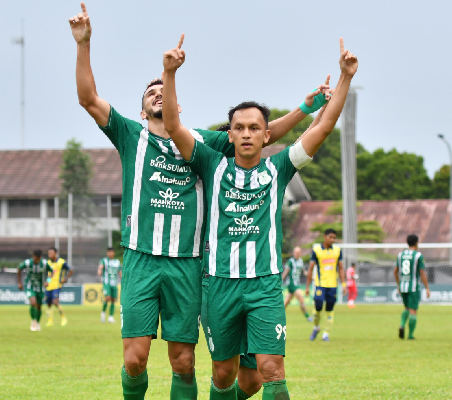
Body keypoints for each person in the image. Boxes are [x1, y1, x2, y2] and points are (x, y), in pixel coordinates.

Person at [68, 4, 332, 399]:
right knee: (135, 359)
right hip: (141, 257)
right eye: (151, 94)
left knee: (184, 362)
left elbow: (261, 134)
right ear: (143, 111)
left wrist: (304, 109)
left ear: (177, 104)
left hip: (189, 263)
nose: (159, 95)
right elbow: (88, 98)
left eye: (164, 91)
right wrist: (84, 43)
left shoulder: (203, 141)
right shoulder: (129, 134)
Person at [162, 33, 358, 399]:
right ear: (230, 135)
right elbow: (173, 126)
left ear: (267, 135)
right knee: (225, 377)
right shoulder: (210, 163)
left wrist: (344, 77)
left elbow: (324, 126)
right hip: (218, 285)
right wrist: (169, 73)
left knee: (270, 371)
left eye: (255, 128)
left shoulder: (279, 169)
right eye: (239, 128)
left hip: (265, 286)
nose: (247, 133)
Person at [305, 228, 346, 341]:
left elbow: (341, 268)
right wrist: (307, 286)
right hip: (320, 284)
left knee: (329, 309)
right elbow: (310, 269)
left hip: (333, 285)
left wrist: (343, 284)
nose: (332, 240)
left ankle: (326, 333)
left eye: (334, 238)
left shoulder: (337, 251)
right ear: (325, 237)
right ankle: (316, 327)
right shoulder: (317, 250)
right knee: (318, 306)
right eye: (330, 237)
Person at [395, 234, 430, 340]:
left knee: (406, 308)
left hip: (403, 286)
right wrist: (427, 287)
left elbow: (395, 271)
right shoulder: (418, 256)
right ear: (416, 243)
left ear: (407, 243)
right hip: (413, 287)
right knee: (413, 311)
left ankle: (402, 324)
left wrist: (398, 284)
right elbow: (422, 272)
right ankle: (410, 335)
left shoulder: (400, 255)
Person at [18, 249, 50, 331]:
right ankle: (33, 321)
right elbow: (19, 268)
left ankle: (38, 323)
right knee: (33, 302)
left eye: (39, 258)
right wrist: (19, 282)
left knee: (39, 306)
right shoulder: (28, 263)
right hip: (30, 286)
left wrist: (48, 280)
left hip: (40, 287)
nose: (37, 260)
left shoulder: (44, 263)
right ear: (33, 257)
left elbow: (53, 271)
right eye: (36, 258)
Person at [281, 246, 312, 321]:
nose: (296, 254)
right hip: (292, 284)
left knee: (286, 302)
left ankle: (278, 316)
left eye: (298, 252)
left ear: (300, 253)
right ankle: (308, 316)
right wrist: (280, 281)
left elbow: (304, 272)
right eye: (295, 252)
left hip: (297, 283)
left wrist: (311, 276)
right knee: (301, 299)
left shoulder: (301, 261)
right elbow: (285, 272)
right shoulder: (290, 261)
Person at [46, 247, 72, 327]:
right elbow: (48, 274)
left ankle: (63, 318)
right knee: (49, 304)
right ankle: (50, 321)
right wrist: (46, 281)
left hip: (57, 285)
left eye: (51, 253)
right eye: (49, 254)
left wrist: (65, 279)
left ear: (55, 254)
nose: (50, 255)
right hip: (48, 286)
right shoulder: (47, 263)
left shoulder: (61, 262)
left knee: (55, 302)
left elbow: (70, 270)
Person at [98, 247, 122, 323]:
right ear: (107, 253)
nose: (110, 253)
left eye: (111, 252)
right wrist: (99, 270)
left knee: (113, 300)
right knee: (107, 298)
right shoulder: (104, 260)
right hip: (106, 283)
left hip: (114, 283)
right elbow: (101, 266)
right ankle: (103, 314)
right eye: (108, 252)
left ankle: (111, 317)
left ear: (114, 253)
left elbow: (120, 271)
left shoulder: (117, 262)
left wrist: (122, 280)